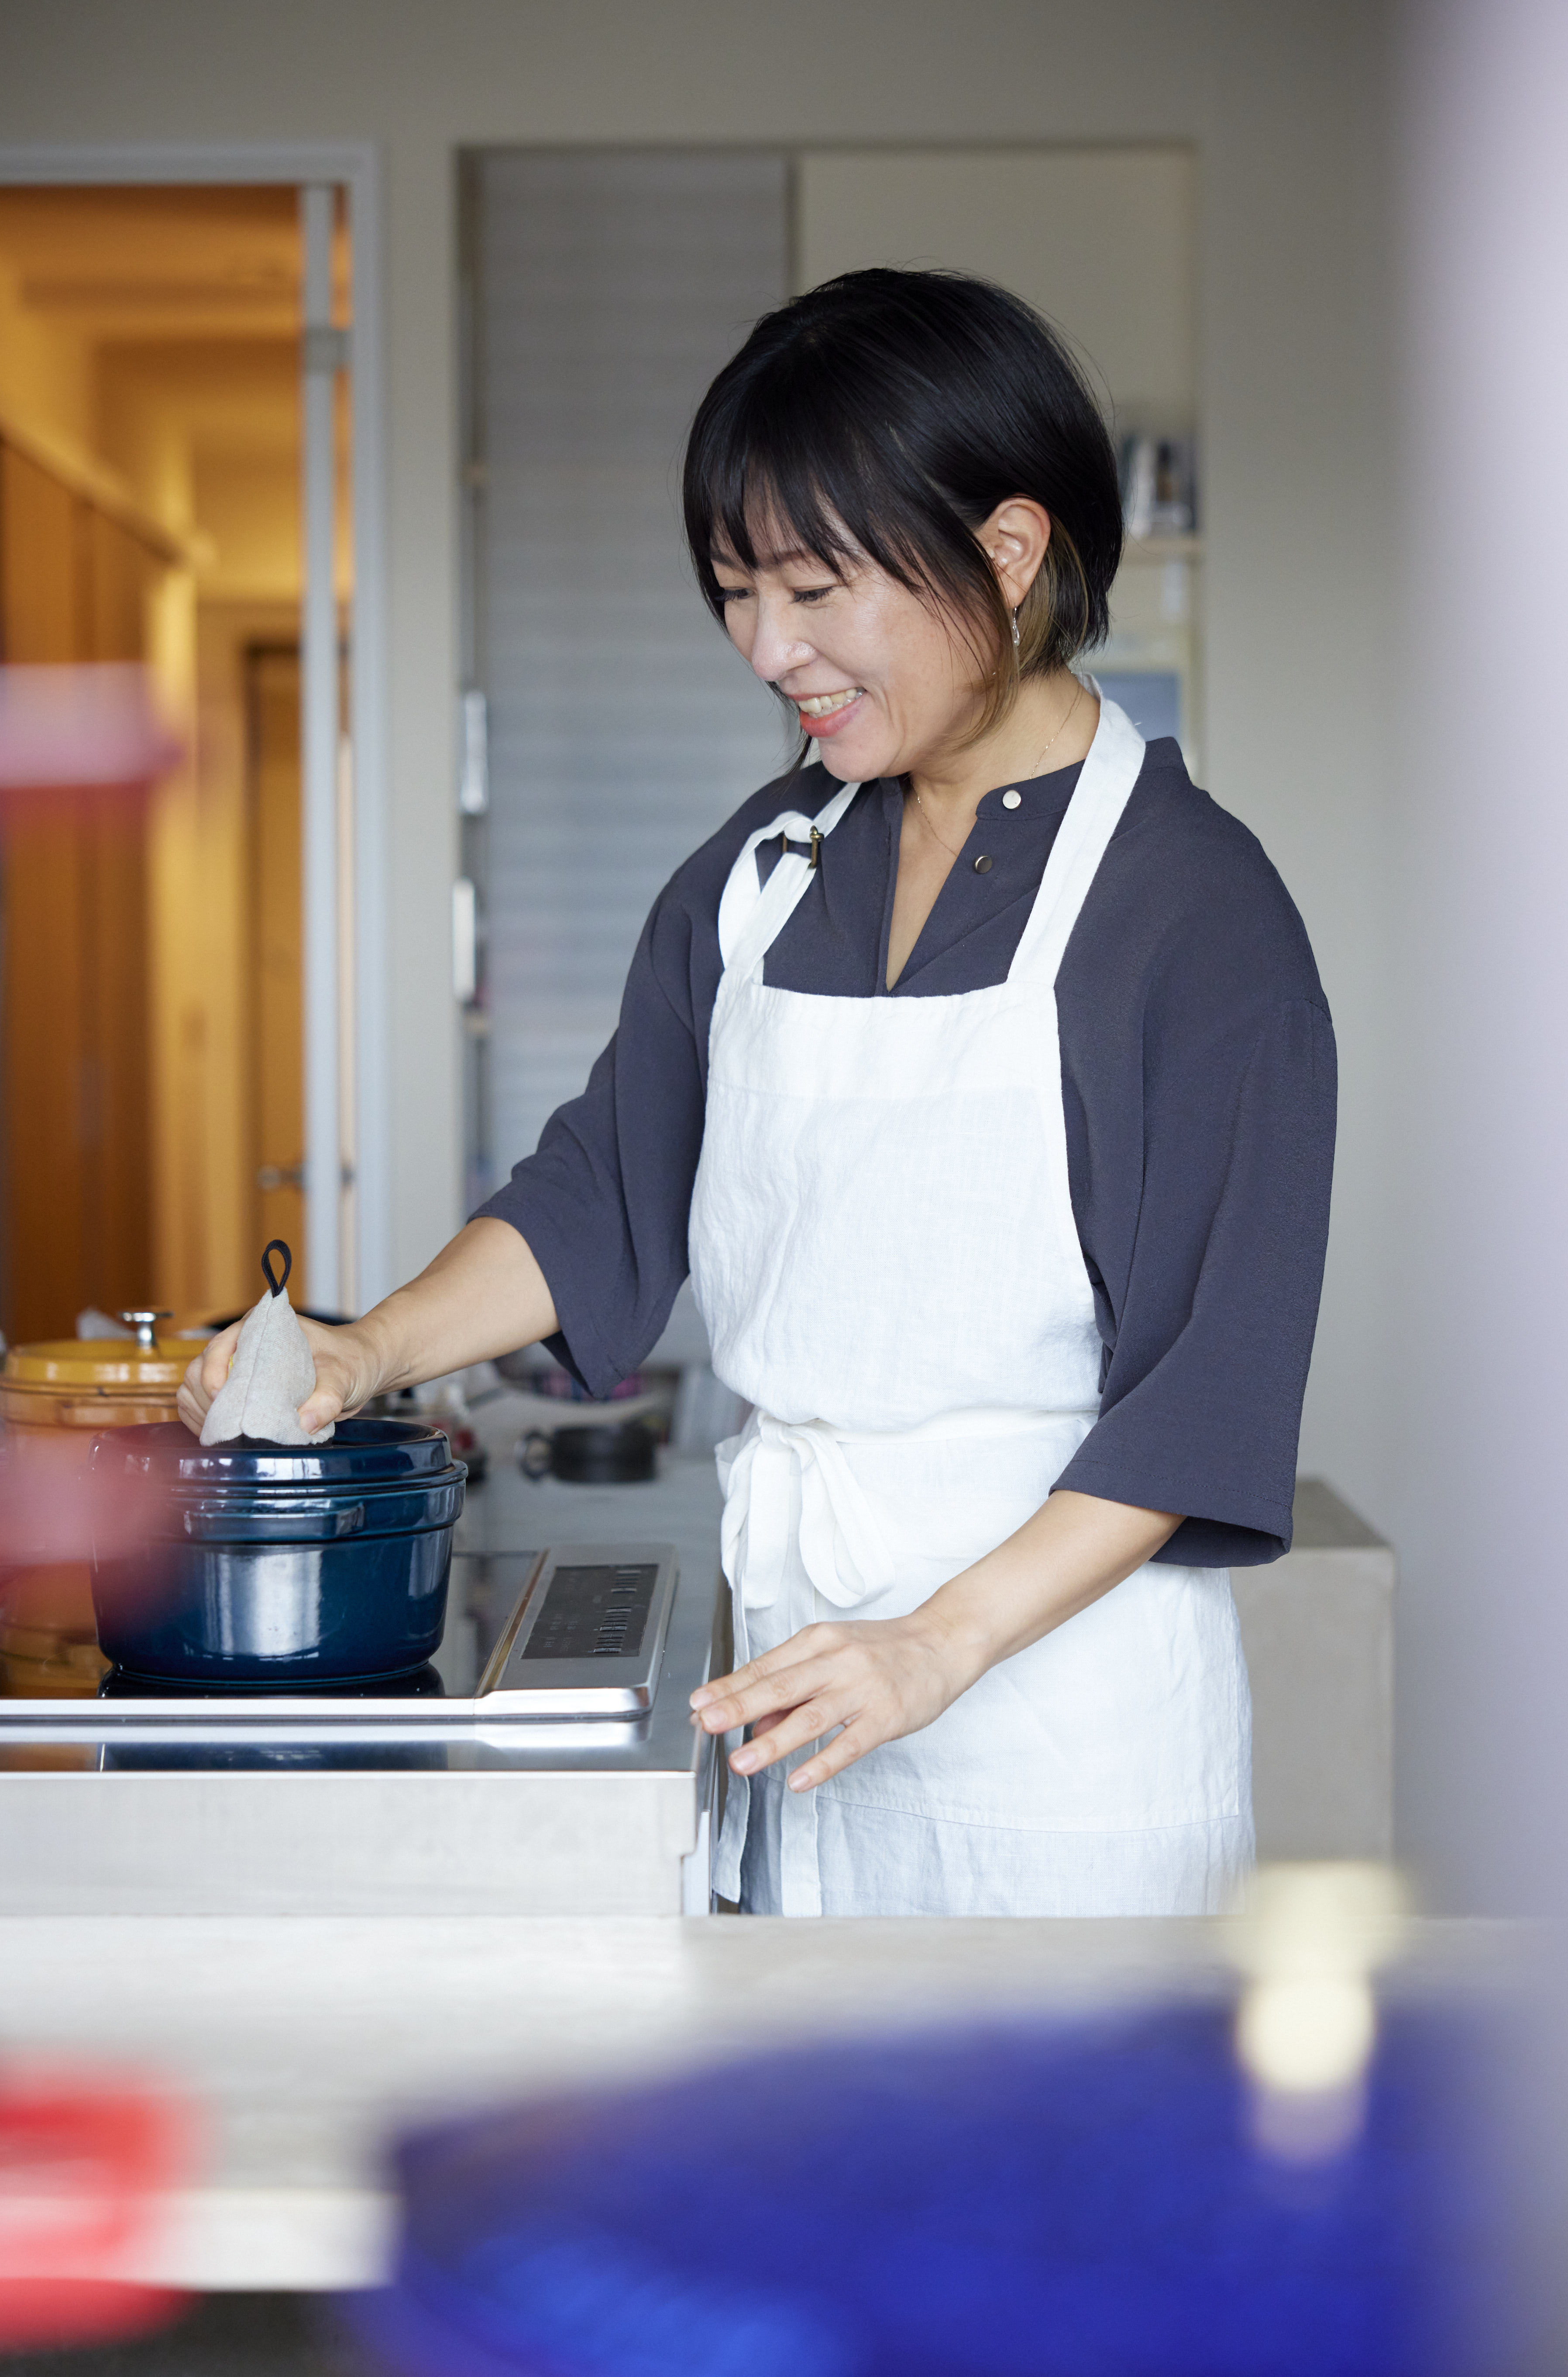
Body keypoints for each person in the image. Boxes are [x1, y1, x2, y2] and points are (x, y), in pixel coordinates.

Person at [182, 269, 1335, 1919]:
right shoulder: (771, 868)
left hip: (1060, 1740)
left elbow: (1205, 1388)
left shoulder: (1194, 912)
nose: (767, 650)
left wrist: (939, 1646)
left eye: (816, 589)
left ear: (1007, 555)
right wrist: (364, 1350)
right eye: (737, 592)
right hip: (799, 1688)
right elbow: (608, 1191)